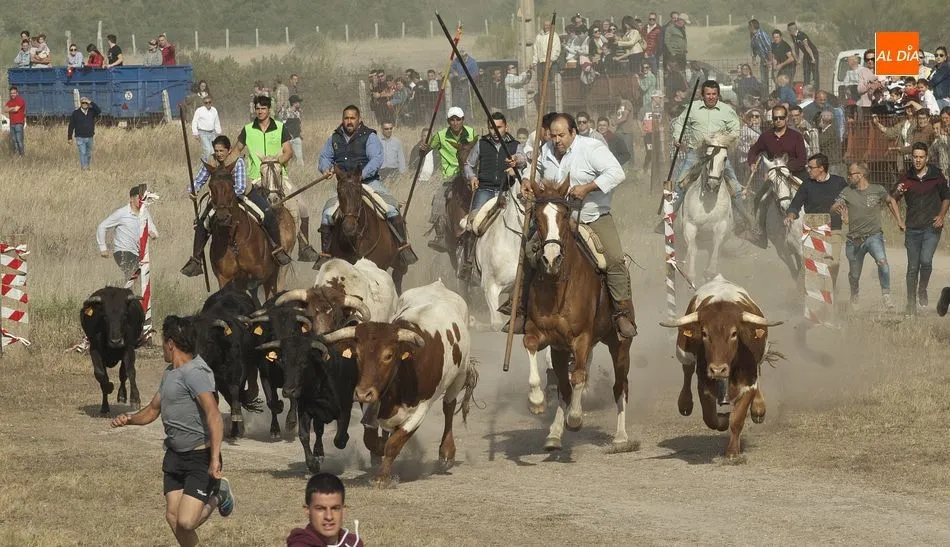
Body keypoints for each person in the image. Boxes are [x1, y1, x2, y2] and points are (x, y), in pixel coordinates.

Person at [503, 113, 637, 339]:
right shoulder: (545, 150)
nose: (557, 140)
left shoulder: (592, 149)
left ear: (574, 132)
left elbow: (616, 173)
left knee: (614, 259)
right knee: (528, 254)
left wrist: (588, 187)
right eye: (553, 136)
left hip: (592, 217)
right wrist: (527, 180)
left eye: (562, 135)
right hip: (556, 221)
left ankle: (621, 312)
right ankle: (521, 310)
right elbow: (533, 170)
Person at [111, 315, 235, 547]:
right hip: (175, 456)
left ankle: (219, 495)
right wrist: (129, 419)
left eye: (163, 345)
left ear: (170, 343)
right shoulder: (170, 373)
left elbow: (214, 415)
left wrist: (215, 457)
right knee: (173, 517)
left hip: (200, 457)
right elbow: (152, 410)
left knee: (187, 522)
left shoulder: (195, 373)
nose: (162, 350)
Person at [317, 105, 417, 266]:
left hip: (369, 182)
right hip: (344, 185)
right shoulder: (334, 138)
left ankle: (402, 248)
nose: (349, 121)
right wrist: (325, 168)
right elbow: (325, 157)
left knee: (391, 208)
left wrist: (361, 175)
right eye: (346, 118)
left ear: (359, 119)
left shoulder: (369, 136)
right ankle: (325, 254)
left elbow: (376, 159)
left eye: (352, 118)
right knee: (327, 214)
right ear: (343, 120)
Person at [181, 135, 292, 275]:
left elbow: (239, 187)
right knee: (202, 224)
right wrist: (193, 190)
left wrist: (226, 198)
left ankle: (277, 249)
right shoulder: (211, 161)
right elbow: (198, 180)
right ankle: (196, 260)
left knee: (267, 213)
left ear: (228, 150)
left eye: (222, 151)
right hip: (219, 199)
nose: (219, 154)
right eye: (216, 151)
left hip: (245, 195)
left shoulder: (237, 161)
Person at [228, 95, 318, 262]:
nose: (260, 111)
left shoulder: (280, 127)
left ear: (269, 110)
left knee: (303, 207)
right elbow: (236, 151)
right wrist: (225, 167)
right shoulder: (248, 129)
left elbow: (288, 152)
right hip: (255, 178)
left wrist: (274, 163)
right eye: (257, 108)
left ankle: (304, 247)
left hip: (279, 177)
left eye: (263, 108)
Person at [664, 80, 745, 231]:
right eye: (708, 94)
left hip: (718, 154)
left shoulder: (727, 110)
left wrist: (725, 140)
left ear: (718, 95)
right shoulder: (692, 108)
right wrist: (678, 137)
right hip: (696, 155)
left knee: (736, 187)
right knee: (679, 185)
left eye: (714, 94)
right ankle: (669, 219)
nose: (711, 97)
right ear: (702, 95)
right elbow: (680, 123)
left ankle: (741, 221)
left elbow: (735, 130)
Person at [457, 112, 525, 279]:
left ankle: (525, 263)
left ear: (506, 127)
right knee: (472, 223)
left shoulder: (515, 145)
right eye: (491, 127)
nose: (495, 131)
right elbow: (468, 165)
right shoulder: (481, 143)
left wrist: (515, 163)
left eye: (499, 127)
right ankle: (469, 262)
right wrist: (472, 176)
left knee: (523, 223)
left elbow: (523, 160)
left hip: (506, 191)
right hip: (485, 190)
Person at [832, 162, 902, 310]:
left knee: (883, 262)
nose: (849, 176)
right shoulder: (847, 191)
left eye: (851, 174)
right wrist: (837, 208)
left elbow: (892, 201)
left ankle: (886, 296)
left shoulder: (878, 190)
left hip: (874, 236)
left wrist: (899, 221)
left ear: (861, 175)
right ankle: (855, 295)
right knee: (854, 274)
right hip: (854, 240)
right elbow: (833, 207)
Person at [892, 142, 950, 314]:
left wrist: (941, 216)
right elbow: (892, 198)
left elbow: (946, 197)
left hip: (932, 228)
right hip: (912, 228)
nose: (917, 160)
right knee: (912, 267)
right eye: (915, 157)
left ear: (927, 158)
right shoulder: (906, 178)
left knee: (925, 261)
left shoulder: (936, 175)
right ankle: (910, 304)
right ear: (912, 158)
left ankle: (922, 289)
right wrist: (899, 220)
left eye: (921, 157)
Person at [783, 153, 848, 289]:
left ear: (821, 168)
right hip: (813, 231)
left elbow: (849, 200)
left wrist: (846, 212)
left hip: (834, 229)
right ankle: (806, 294)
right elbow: (795, 204)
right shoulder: (806, 185)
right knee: (811, 266)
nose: (808, 170)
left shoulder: (839, 182)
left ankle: (830, 291)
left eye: (811, 167)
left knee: (834, 263)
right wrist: (790, 215)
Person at [419, 106, 477, 251]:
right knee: (438, 199)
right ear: (448, 121)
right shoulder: (440, 135)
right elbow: (427, 150)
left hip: (470, 174)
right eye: (452, 120)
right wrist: (423, 149)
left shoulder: (471, 133)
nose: (455, 122)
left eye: (458, 119)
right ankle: (441, 236)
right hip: (450, 176)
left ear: (463, 120)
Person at [97, 185, 159, 280]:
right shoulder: (122, 213)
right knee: (132, 273)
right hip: (122, 251)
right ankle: (127, 292)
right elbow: (102, 226)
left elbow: (152, 228)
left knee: (138, 277)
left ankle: (122, 291)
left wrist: (153, 234)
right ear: (131, 199)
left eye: (144, 198)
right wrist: (103, 248)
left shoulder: (144, 212)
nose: (141, 200)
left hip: (136, 253)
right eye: (139, 197)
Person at [286, 473, 363, 547]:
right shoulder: (299, 545)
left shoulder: (354, 543)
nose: (329, 517)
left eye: (335, 508)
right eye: (320, 509)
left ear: (344, 510)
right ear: (307, 510)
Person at [68, 96, 101, 169]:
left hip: (90, 137)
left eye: (86, 103)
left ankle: (88, 166)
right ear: (80, 103)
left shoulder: (91, 112)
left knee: (89, 153)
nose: (84, 104)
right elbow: (71, 125)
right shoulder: (76, 113)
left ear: (88, 104)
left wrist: (91, 102)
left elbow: (99, 110)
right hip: (80, 137)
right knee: (83, 153)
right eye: (83, 103)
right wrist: (69, 137)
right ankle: (84, 168)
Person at [787, 22, 819, 90]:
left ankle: (816, 89)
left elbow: (807, 46)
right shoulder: (793, 36)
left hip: (812, 52)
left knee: (814, 71)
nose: (788, 32)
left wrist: (813, 58)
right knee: (806, 70)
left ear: (793, 30)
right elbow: (796, 47)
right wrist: (798, 59)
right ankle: (806, 87)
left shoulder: (801, 35)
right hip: (806, 54)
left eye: (789, 30)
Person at [192, 95, 222, 161]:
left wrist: (218, 132)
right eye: (206, 102)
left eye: (209, 102)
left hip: (212, 133)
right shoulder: (199, 110)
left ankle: (213, 166)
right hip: (203, 133)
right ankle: (204, 164)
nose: (208, 104)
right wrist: (195, 133)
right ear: (203, 103)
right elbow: (194, 122)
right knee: (208, 150)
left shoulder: (214, 110)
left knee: (214, 150)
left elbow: (217, 121)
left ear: (211, 102)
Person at [282, 95, 304, 166]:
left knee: (299, 158)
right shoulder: (285, 112)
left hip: (296, 138)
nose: (299, 104)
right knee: (286, 158)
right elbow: (283, 126)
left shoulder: (298, 113)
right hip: (287, 139)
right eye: (298, 102)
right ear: (294, 103)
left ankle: (301, 172)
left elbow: (298, 125)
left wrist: (299, 134)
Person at [3, 86, 25, 156]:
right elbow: (5, 110)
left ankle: (22, 155)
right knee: (14, 141)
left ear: (17, 93)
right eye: (11, 93)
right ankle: (17, 156)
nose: (12, 94)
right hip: (12, 123)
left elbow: (16, 109)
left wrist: (10, 109)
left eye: (14, 93)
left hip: (19, 123)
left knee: (19, 140)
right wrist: (12, 108)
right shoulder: (10, 101)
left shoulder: (20, 100)